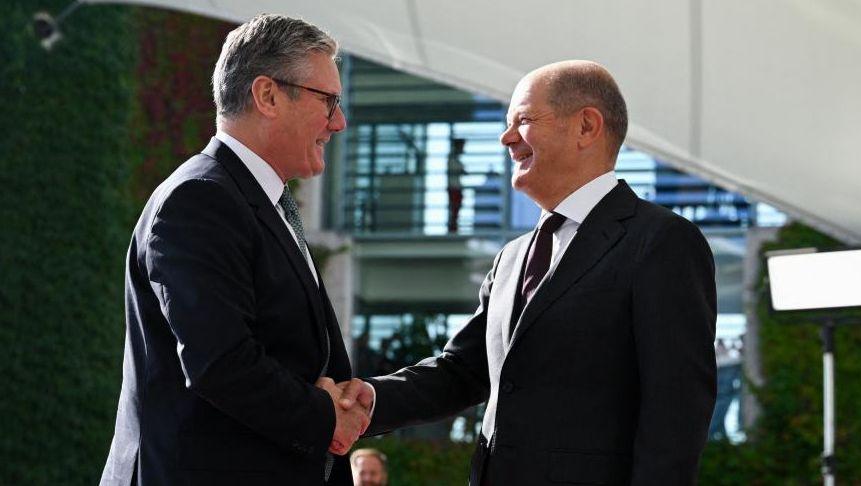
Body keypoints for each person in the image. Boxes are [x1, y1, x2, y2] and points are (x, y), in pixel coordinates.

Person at [340, 60, 717, 485]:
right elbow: (463, 370)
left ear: (586, 127)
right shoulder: (512, 257)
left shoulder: (662, 242)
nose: (506, 138)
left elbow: (677, 408)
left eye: (522, 120)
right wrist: (369, 398)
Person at [99, 14, 370, 485]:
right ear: (267, 95)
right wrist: (325, 415)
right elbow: (220, 363)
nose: (339, 122)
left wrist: (343, 400)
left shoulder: (256, 200)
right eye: (328, 102)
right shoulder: (198, 199)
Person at [447, 138, 467, 233]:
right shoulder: (452, 159)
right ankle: (452, 229)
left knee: (456, 209)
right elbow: (459, 170)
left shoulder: (454, 159)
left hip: (456, 187)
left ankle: (454, 228)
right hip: (454, 187)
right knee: (454, 209)